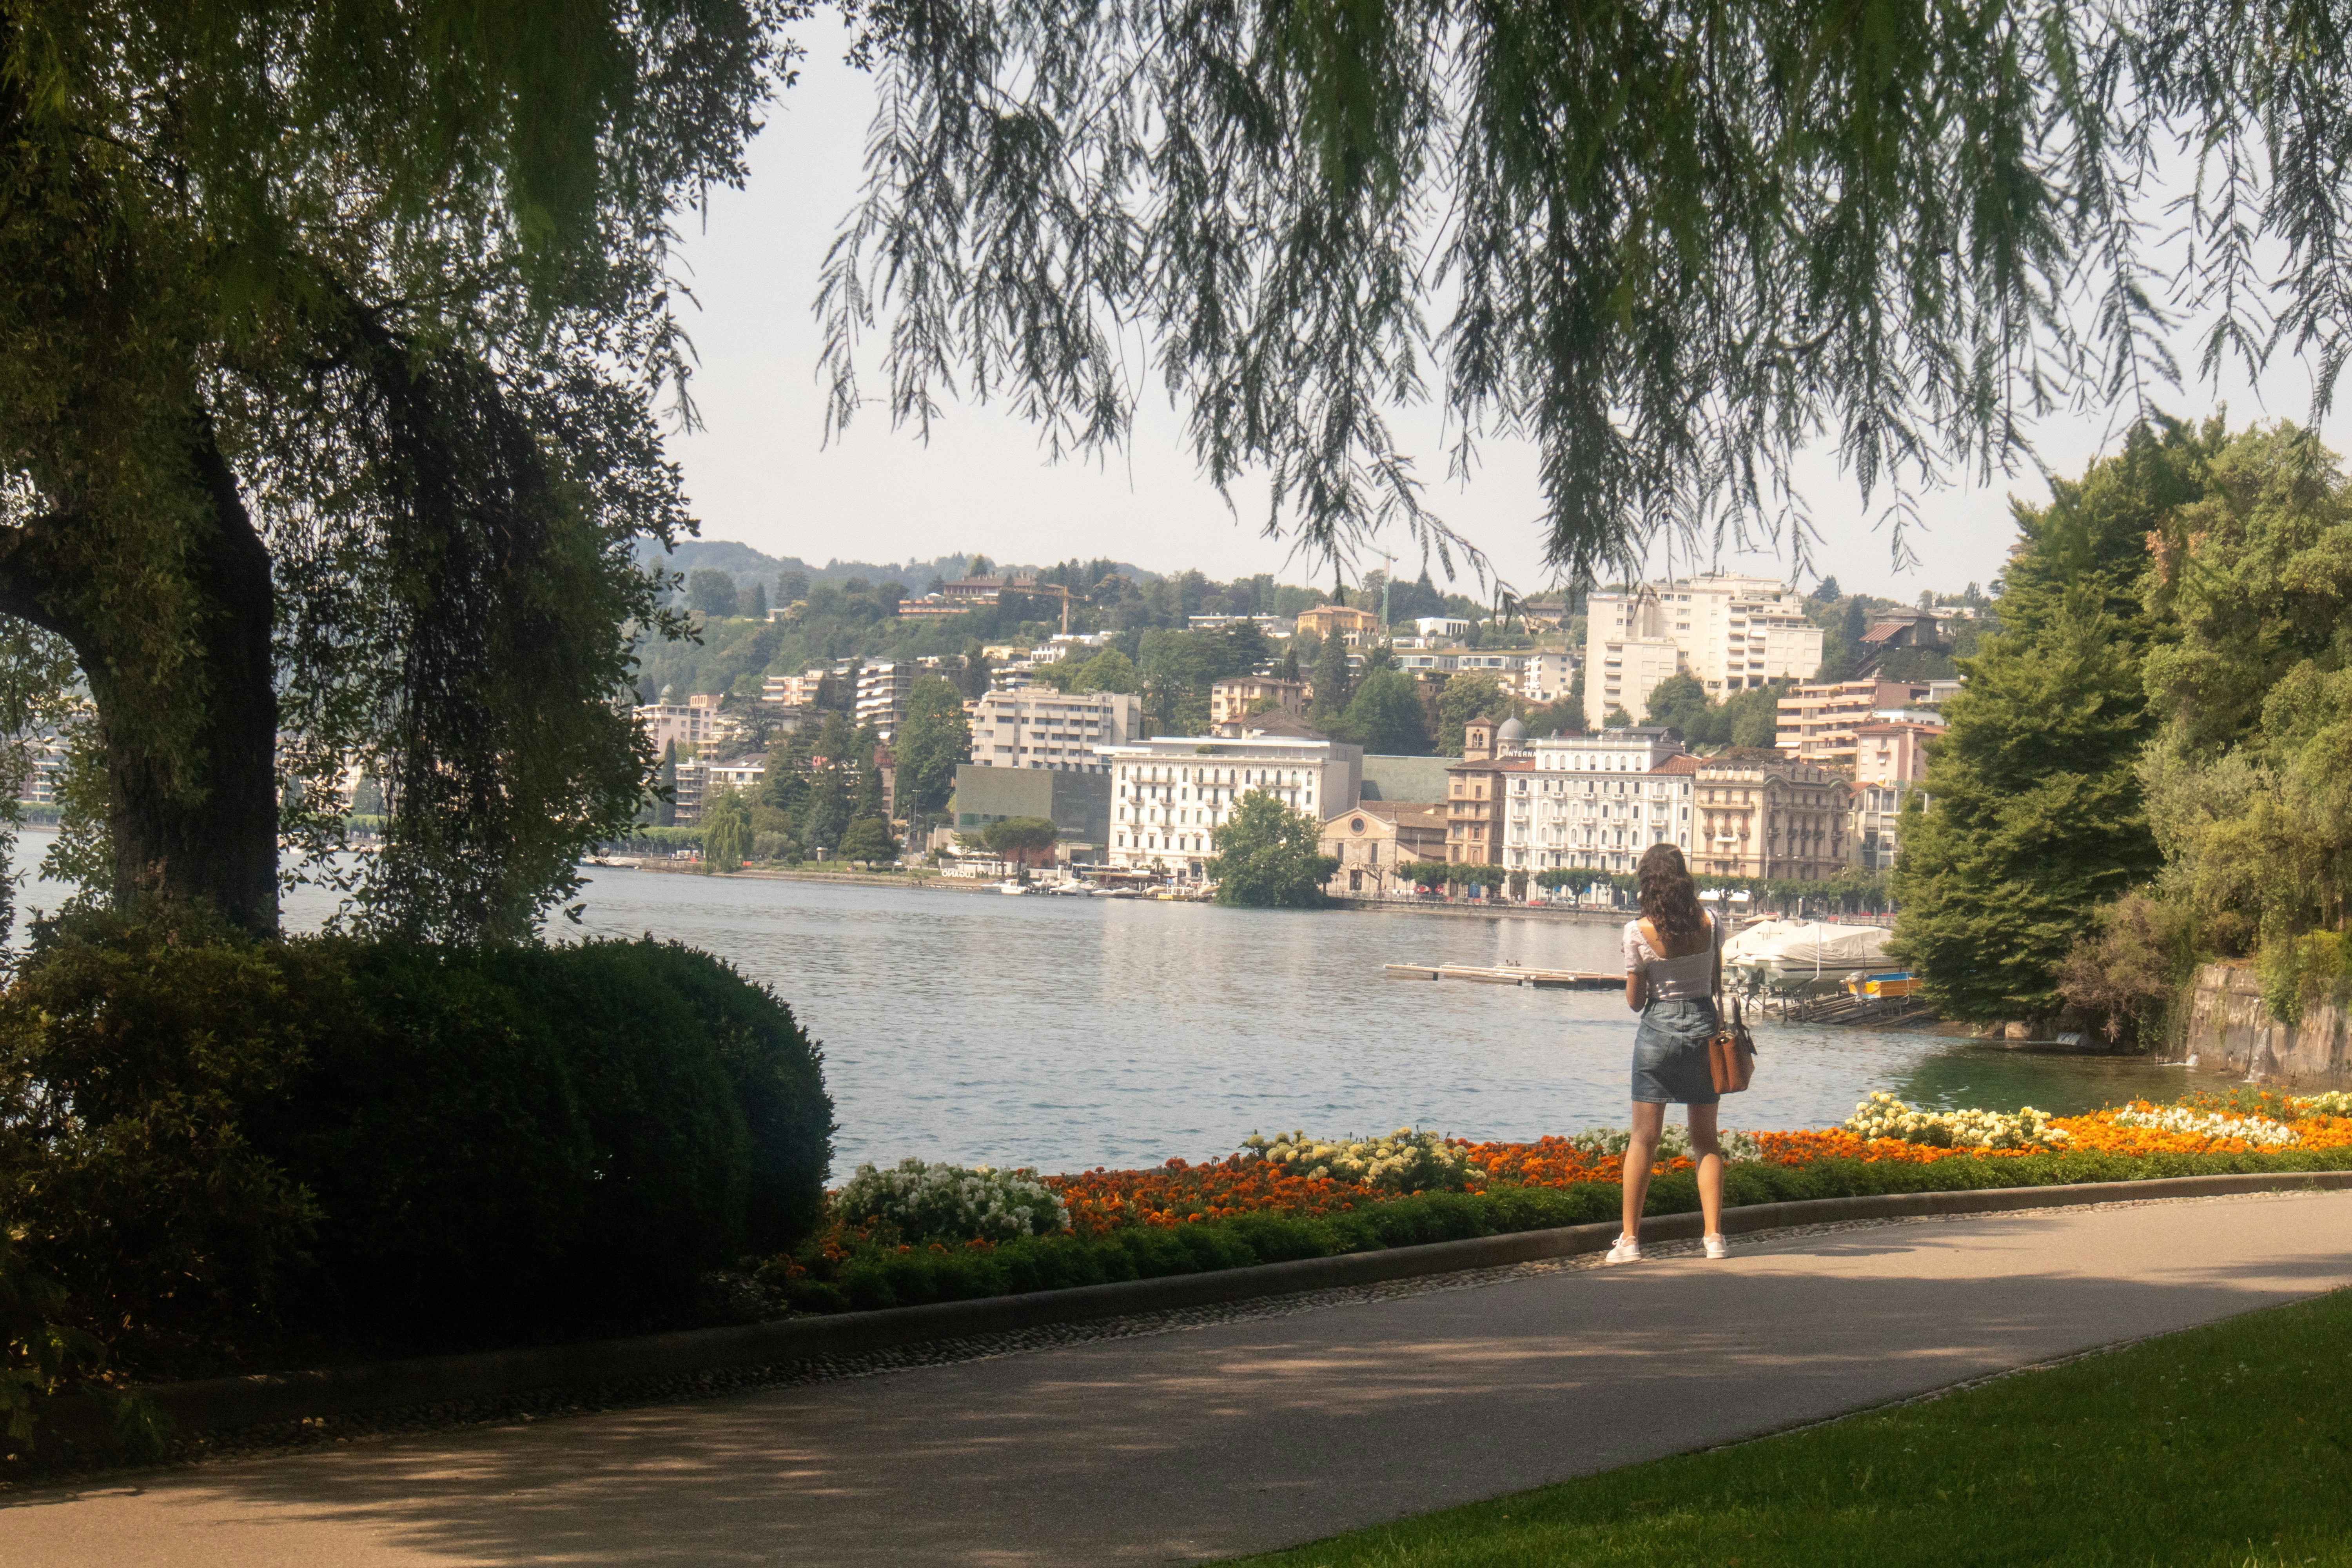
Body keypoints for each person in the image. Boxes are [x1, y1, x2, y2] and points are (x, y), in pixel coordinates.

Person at [1607, 843, 1729, 1263]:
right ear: (1684, 879)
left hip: (1658, 1033)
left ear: (1648, 882)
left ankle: (1630, 1241)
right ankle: (1714, 1237)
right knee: (1705, 1139)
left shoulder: (1637, 931)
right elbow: (1714, 984)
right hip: (1703, 1028)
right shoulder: (1711, 922)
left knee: (1643, 1138)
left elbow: (1636, 1001)